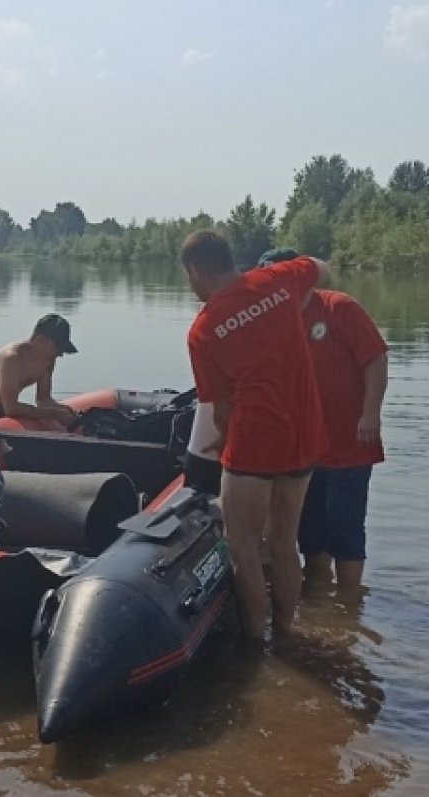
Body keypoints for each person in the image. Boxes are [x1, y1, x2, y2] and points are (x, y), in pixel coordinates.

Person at [180, 230, 329, 640]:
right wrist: (296, 306)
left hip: (255, 442)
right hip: (303, 433)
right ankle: (285, 632)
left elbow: (222, 409)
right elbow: (323, 269)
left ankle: (255, 643)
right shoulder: (280, 279)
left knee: (242, 544)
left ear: (196, 270)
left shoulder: (204, 329)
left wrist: (227, 450)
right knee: (284, 540)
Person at [255, 248, 388, 591]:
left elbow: (376, 360)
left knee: (344, 528)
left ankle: (350, 603)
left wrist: (370, 412)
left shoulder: (339, 308)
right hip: (304, 448)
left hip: (350, 442)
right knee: (310, 533)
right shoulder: (271, 324)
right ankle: (319, 600)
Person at [0, 313, 79, 429]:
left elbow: (43, 399)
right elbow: (11, 408)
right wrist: (54, 413)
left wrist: (64, 411)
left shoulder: (48, 361)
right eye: (58, 348)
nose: (60, 354)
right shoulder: (11, 358)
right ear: (40, 340)